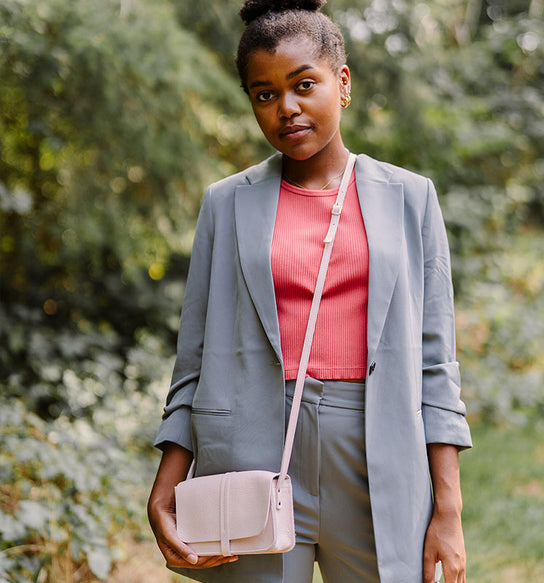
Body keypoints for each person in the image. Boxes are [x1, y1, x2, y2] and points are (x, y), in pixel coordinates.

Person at [147, 1, 472, 581]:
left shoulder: (410, 198)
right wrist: (168, 480)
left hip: (378, 456)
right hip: (253, 457)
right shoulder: (226, 204)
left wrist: (448, 506)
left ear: (341, 83)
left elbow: (434, 363)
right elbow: (193, 359)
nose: (286, 108)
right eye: (264, 94)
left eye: (303, 84)